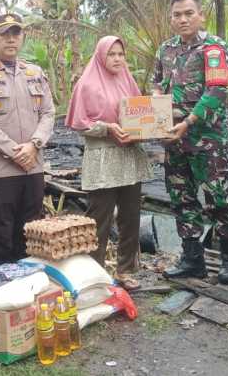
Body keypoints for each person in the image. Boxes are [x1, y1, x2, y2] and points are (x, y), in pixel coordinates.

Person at [154, 0, 228, 284]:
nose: (183, 19)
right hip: (174, 139)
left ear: (200, 15)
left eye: (188, 13)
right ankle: (193, 259)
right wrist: (157, 120)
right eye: (177, 15)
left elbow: (217, 91)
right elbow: (156, 86)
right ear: (171, 18)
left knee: (218, 198)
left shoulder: (214, 48)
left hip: (207, 140)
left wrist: (189, 121)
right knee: (181, 198)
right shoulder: (165, 50)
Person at [0, 13, 55, 267]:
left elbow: (48, 113)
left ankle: (28, 289)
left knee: (31, 233)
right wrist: (16, 151)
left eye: (16, 33)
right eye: (4, 34)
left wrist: (34, 145)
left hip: (33, 167)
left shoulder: (35, 73)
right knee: (2, 232)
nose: (11, 39)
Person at [65, 36, 153, 291]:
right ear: (101, 56)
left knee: (130, 216)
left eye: (120, 54)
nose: (117, 59)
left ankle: (125, 271)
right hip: (103, 158)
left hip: (128, 156)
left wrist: (147, 127)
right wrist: (107, 128)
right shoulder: (87, 85)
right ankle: (95, 275)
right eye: (111, 54)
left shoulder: (128, 80)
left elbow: (141, 112)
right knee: (99, 218)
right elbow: (81, 123)